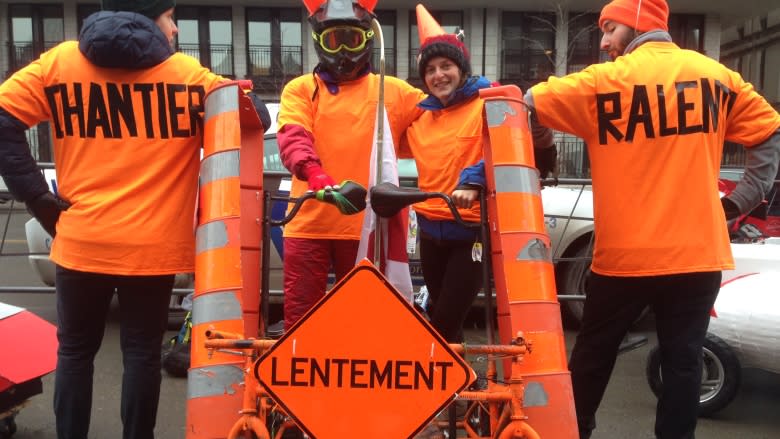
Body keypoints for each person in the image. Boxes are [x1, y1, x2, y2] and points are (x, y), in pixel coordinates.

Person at [0, 1, 271, 438]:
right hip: (154, 247)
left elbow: (3, 120)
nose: (177, 29)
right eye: (170, 17)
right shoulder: (189, 75)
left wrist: (40, 201)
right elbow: (254, 116)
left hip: (80, 240)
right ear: (151, 18)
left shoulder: (60, 62)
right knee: (142, 355)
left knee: (74, 354)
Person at [523, 0, 780, 437]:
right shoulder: (716, 77)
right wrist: (740, 202)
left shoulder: (601, 82)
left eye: (609, 29)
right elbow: (770, 132)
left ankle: (574, 431)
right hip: (697, 254)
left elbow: (526, 105)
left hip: (625, 257)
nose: (603, 41)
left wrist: (543, 154)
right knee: (683, 364)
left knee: (591, 359)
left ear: (637, 23)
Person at [401, 5, 558, 345]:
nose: (438, 75)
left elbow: (505, 145)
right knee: (444, 317)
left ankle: (450, 384)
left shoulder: (489, 101)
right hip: (430, 230)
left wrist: (474, 180)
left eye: (446, 66)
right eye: (430, 69)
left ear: (461, 68)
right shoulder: (419, 118)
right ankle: (458, 390)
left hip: (470, 229)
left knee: (443, 320)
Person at [277, 0, 425, 330]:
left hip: (366, 229)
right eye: (333, 40)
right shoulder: (301, 89)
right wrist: (315, 174)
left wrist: (472, 93)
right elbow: (293, 135)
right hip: (309, 224)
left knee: (363, 322)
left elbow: (442, 122)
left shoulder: (394, 91)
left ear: (368, 40)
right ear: (318, 43)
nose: (343, 50)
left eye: (352, 39)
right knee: (301, 322)